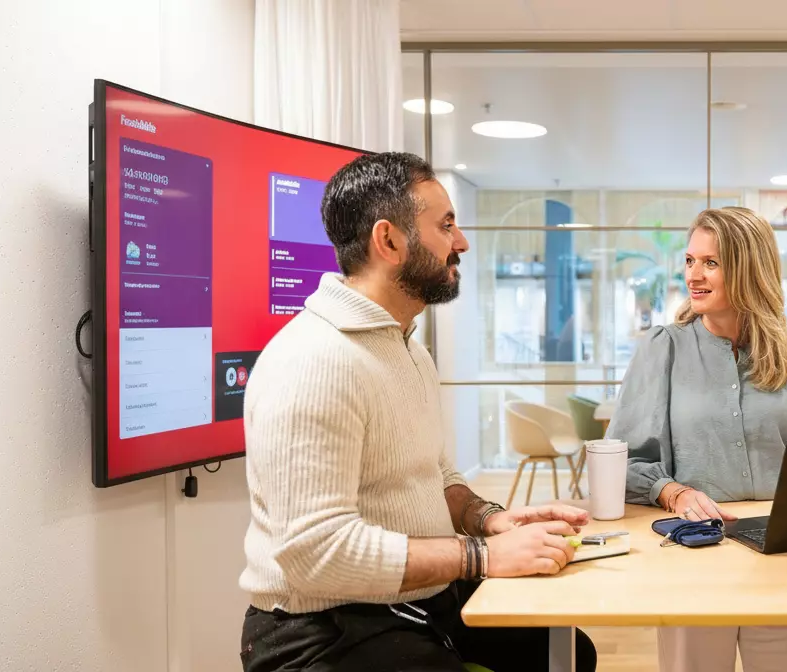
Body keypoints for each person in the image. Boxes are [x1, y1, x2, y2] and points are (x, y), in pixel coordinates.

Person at [238, 152, 598, 672]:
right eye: (446, 225)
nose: (462, 243)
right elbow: (316, 553)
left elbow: (435, 474)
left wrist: (489, 520)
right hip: (327, 632)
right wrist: (481, 557)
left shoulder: (407, 346)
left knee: (566, 653)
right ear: (389, 241)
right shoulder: (314, 361)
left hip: (420, 603)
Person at [606, 206, 787, 672]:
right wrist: (672, 491)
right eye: (690, 261)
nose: (694, 274)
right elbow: (619, 463)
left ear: (749, 268)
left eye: (711, 263)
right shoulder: (664, 347)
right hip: (696, 552)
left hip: (780, 555)